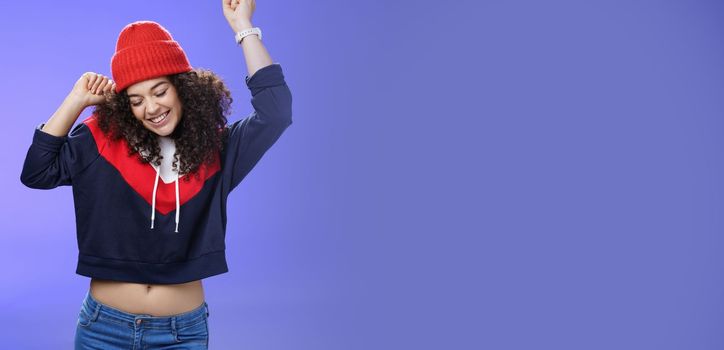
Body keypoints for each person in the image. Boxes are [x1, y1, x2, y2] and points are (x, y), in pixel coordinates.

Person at [19, 1, 292, 348]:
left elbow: (277, 113)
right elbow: (37, 172)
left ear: (183, 88)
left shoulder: (218, 150)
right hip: (103, 328)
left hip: (183, 333)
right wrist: (75, 101)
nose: (151, 108)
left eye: (160, 91)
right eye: (135, 99)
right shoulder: (99, 142)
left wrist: (244, 28)